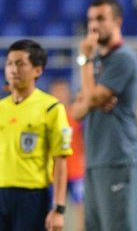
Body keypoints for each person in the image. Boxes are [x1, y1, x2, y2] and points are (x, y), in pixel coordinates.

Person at [72, 0, 137, 231]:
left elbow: (90, 99)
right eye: (90, 19)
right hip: (94, 159)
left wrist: (85, 61)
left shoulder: (122, 58)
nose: (93, 26)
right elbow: (77, 109)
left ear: (118, 21)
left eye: (101, 19)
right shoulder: (96, 62)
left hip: (117, 157)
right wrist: (91, 99)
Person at [0, 39, 73, 231]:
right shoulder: (1, 108)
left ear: (37, 70)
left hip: (32, 196)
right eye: (9, 63)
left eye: (20, 63)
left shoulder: (51, 108)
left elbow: (61, 161)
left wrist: (58, 208)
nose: (13, 69)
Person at [49, 79, 85, 231]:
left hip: (75, 171)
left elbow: (84, 140)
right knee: (53, 208)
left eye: (62, 91)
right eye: (56, 92)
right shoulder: (48, 116)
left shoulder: (75, 115)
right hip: (54, 173)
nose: (59, 95)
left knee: (81, 206)